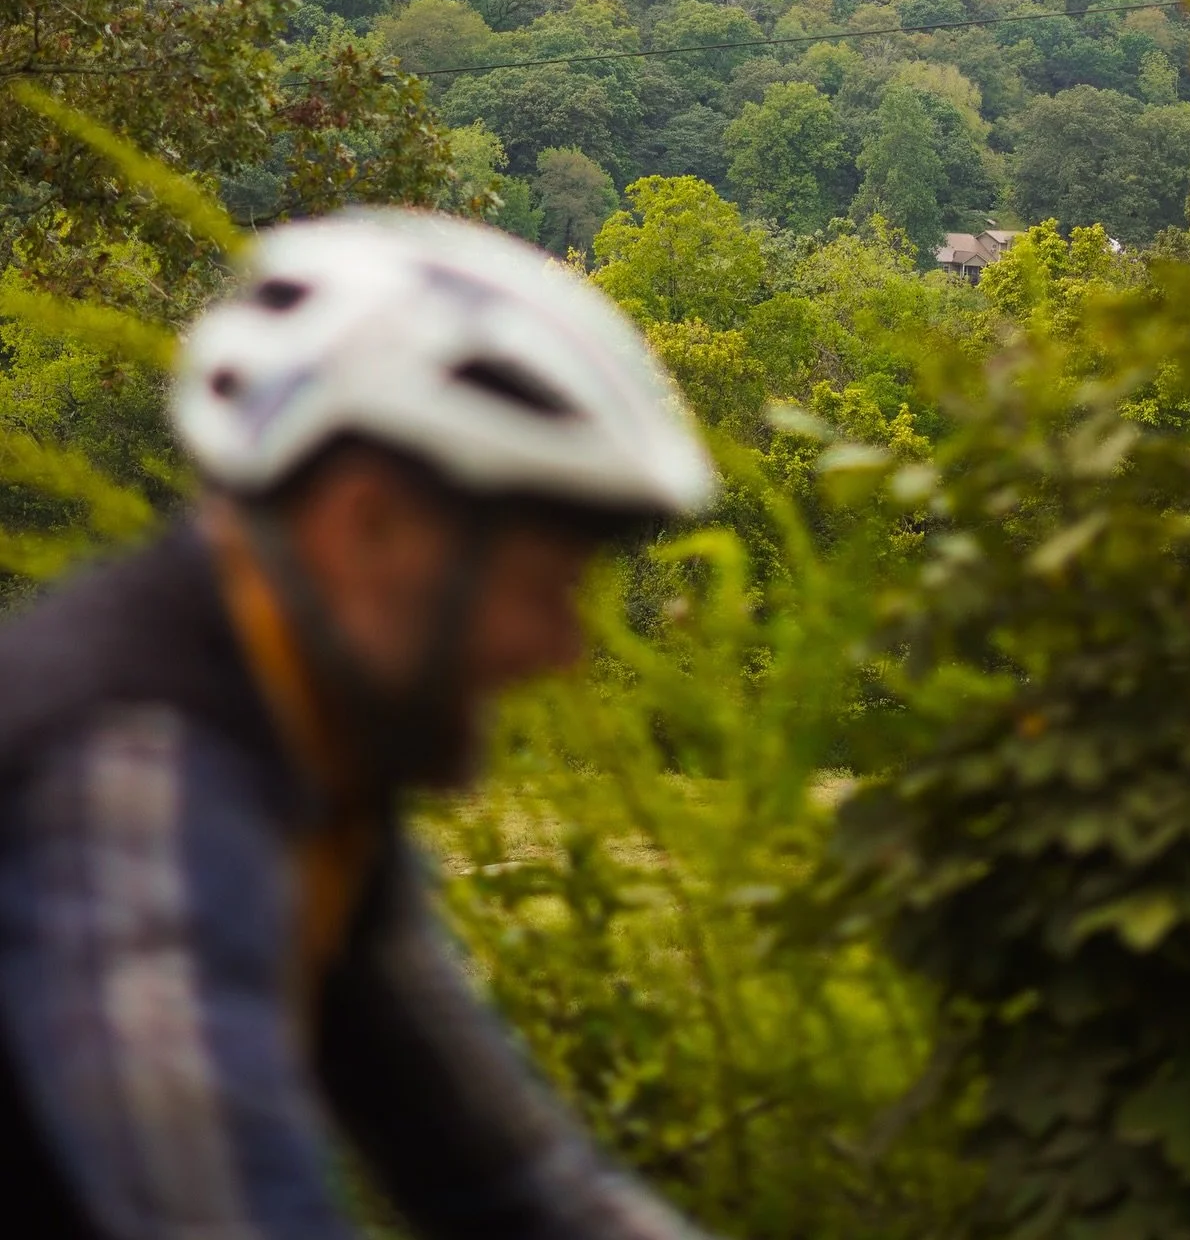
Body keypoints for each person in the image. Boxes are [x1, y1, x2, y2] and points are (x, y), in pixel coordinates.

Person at [0, 209, 717, 1240]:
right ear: (366, 526)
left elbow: (513, 1186)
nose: (563, 648)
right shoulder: (135, 772)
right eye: (544, 584)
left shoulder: (301, 739)